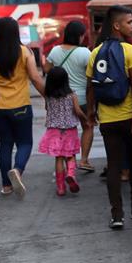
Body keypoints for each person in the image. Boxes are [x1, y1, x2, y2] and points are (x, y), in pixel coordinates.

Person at [86, 5, 132, 229]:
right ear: (117, 25)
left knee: (113, 165)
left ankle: (117, 215)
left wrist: (91, 113)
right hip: (129, 117)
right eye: (130, 22)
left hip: (108, 119)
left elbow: (90, 87)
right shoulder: (130, 51)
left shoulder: (95, 52)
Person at [0, 17, 45, 197]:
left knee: (5, 144)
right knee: (25, 142)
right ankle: (18, 171)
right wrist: (48, 97)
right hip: (20, 105)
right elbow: (36, 78)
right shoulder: (24, 52)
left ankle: (6, 185)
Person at [45, 21, 95, 173]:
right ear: (79, 36)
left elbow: (47, 70)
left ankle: (64, 156)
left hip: (61, 98)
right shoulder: (86, 53)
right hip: (81, 98)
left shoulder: (55, 51)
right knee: (87, 126)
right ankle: (84, 159)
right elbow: (91, 76)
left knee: (64, 129)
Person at [38, 66, 89, 196]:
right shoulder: (72, 95)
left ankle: (61, 188)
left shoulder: (48, 96)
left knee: (59, 158)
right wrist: (85, 118)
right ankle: (71, 174)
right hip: (70, 130)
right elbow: (77, 111)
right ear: (66, 80)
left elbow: (47, 109)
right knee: (70, 155)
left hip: (54, 130)